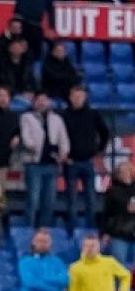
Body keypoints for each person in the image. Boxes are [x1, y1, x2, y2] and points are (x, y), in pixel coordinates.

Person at [61, 86, 109, 232]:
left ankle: (91, 229)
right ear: (70, 97)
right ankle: (72, 230)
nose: (77, 99)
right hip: (71, 162)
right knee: (72, 199)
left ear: (85, 97)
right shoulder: (63, 115)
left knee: (91, 198)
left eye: (80, 96)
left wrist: (99, 149)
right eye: (75, 96)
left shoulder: (93, 114)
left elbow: (104, 132)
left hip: (88, 161)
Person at [19, 92, 70, 230]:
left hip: (52, 165)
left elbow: (63, 138)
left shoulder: (57, 119)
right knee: (33, 199)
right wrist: (33, 146)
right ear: (34, 102)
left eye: (44, 100)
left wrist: (63, 153)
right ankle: (28, 228)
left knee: (49, 200)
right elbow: (26, 136)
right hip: (34, 163)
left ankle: (45, 230)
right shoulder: (26, 117)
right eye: (39, 100)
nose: (42, 103)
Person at [103, 161, 135, 268]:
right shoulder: (113, 191)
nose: (124, 173)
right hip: (118, 234)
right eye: (121, 172)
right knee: (118, 268)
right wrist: (105, 232)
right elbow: (107, 213)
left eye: (126, 171)